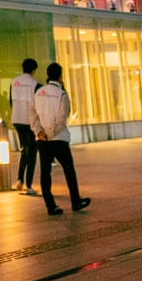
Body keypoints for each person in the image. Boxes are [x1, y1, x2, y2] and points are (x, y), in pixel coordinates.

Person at [32, 63, 91, 214]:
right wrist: (50, 134)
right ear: (60, 75)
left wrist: (40, 132)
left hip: (42, 141)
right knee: (68, 170)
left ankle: (50, 206)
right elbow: (61, 119)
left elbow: (32, 114)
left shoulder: (38, 92)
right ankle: (75, 201)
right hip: (59, 139)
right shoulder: (61, 94)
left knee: (45, 173)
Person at [11, 57, 42, 190]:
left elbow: (11, 101)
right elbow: (39, 105)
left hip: (17, 120)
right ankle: (29, 184)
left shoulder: (14, 82)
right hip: (30, 121)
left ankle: (19, 180)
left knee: (24, 150)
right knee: (33, 152)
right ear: (34, 70)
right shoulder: (35, 84)